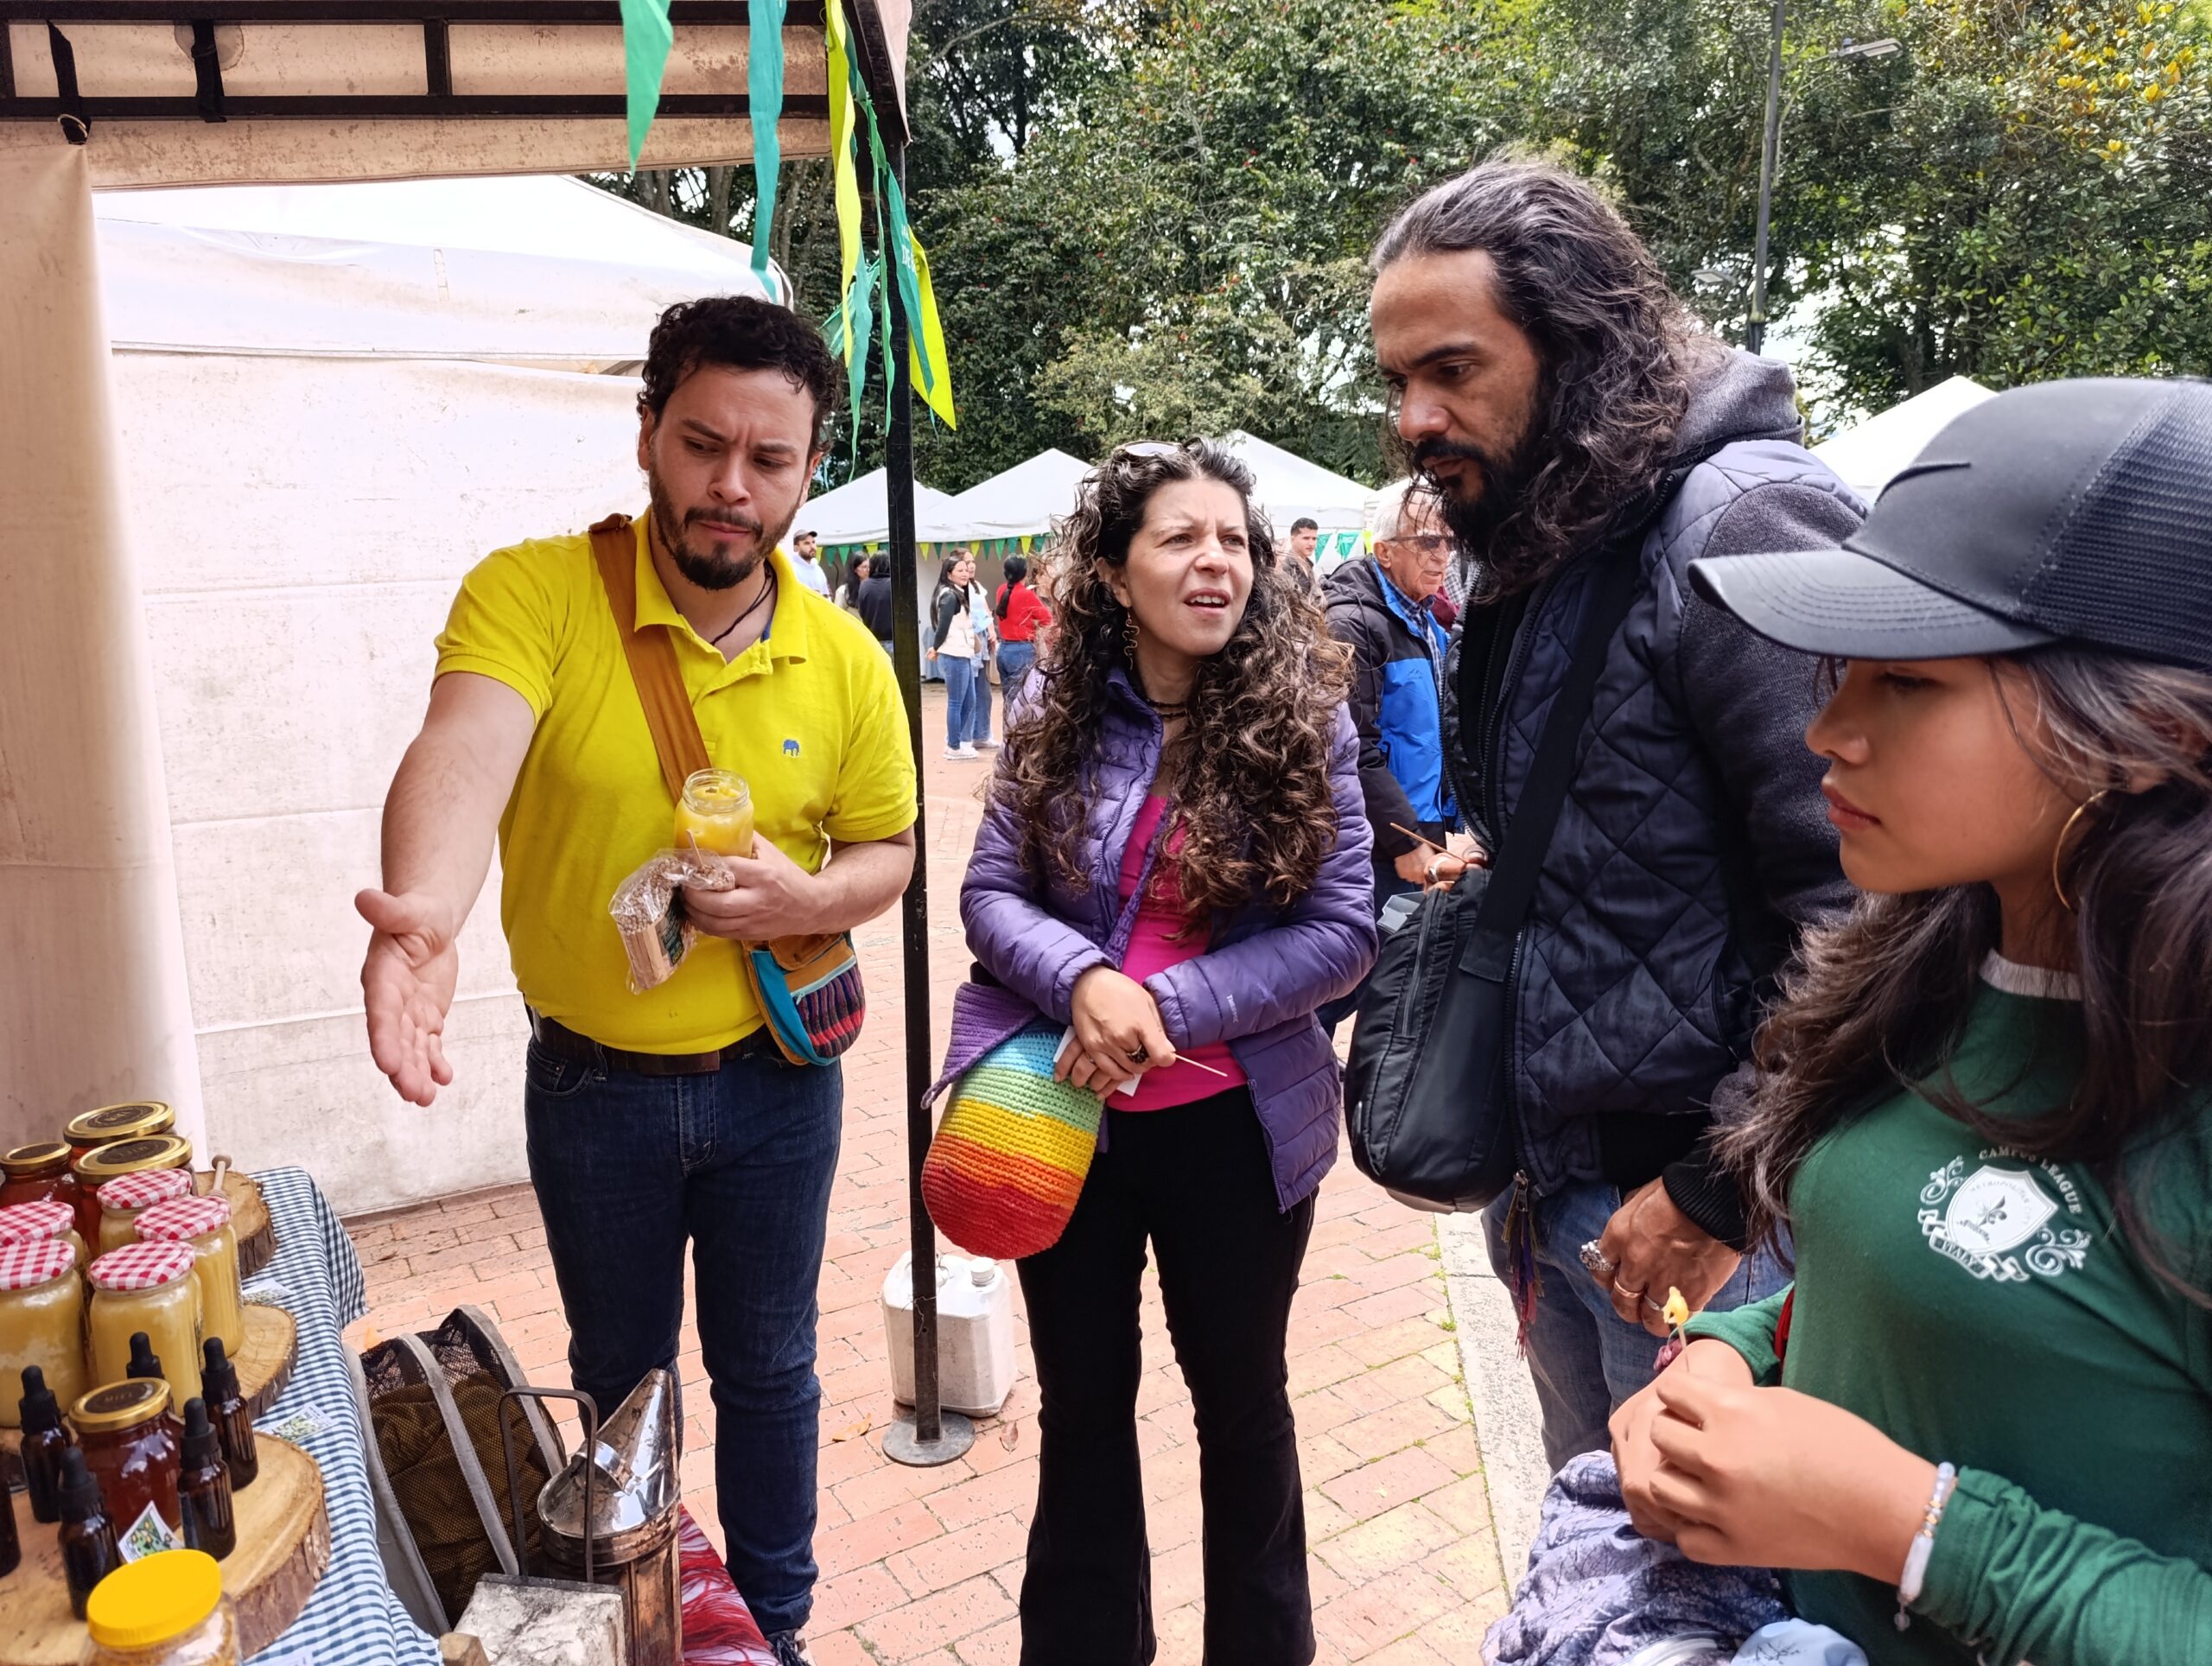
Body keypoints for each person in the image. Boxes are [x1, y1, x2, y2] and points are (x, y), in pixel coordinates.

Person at [1601, 376, 2212, 1665]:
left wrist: (1915, 1530)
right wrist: (1725, 1356)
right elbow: (1883, 1275)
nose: (1829, 728)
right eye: (1842, 672)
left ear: (2151, 732)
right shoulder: (1926, 966)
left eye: (1911, 684)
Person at [354, 295, 917, 1666]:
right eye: (703, 442)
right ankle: (643, 1609)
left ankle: (772, 1629)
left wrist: (803, 898)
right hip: (594, 1087)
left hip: (778, 1087)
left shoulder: (844, 654)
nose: (733, 485)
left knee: (772, 1373)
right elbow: (462, 748)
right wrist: (422, 908)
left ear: (809, 466)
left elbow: (888, 850)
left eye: (770, 459)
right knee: (622, 1379)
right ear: (650, 434)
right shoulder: (536, 592)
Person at [1369, 153, 1860, 1469]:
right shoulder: (1544, 543)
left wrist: (1718, 1185)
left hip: (1725, 1226)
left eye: (1454, 370)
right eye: (1397, 383)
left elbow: (1877, 907)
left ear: (1577, 345)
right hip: (1568, 1205)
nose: (1414, 418)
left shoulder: (1741, 521)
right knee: (1602, 1583)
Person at [951, 439, 1377, 1666]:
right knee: (1084, 1413)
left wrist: (1166, 1007)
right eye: (1180, 537)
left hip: (1236, 1133)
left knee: (1241, 1412)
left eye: (1235, 541)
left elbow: (1344, 931)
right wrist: (1082, 977)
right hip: (1061, 1118)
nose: (1215, 563)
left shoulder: (1307, 718)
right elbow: (989, 895)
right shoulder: (1053, 707)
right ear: (1115, 567)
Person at [930, 550, 982, 760]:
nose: (965, 572)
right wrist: (935, 647)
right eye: (959, 570)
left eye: (966, 569)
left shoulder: (957, 592)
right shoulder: (949, 596)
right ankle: (953, 745)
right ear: (949, 573)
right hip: (953, 654)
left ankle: (959, 740)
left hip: (963, 654)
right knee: (956, 701)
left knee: (970, 699)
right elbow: (942, 627)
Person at [992, 553, 1052, 703]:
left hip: (1004, 650)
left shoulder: (1001, 590)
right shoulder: (1026, 594)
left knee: (1009, 698)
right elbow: (1047, 618)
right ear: (1025, 573)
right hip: (1022, 650)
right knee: (1022, 699)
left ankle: (1007, 726)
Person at [966, 557, 1001, 750]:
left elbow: (987, 611)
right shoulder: (956, 590)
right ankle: (964, 737)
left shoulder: (977, 586)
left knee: (984, 692)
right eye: (965, 563)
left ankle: (982, 734)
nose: (970, 566)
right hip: (969, 641)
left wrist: (992, 632)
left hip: (983, 640)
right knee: (967, 693)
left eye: (972, 562)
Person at [855, 554, 896, 652]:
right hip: (893, 640)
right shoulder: (893, 584)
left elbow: (861, 611)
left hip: (872, 641)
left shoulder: (864, 585)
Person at [1283, 515, 1321, 593]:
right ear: (1292, 540)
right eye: (1306, 538)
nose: (1311, 543)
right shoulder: (1285, 567)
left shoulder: (1308, 564)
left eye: (1314, 539)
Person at [788, 527, 830, 596]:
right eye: (807, 543)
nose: (812, 546)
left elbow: (826, 596)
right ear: (796, 548)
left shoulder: (818, 569)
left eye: (813, 542)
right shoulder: (791, 568)